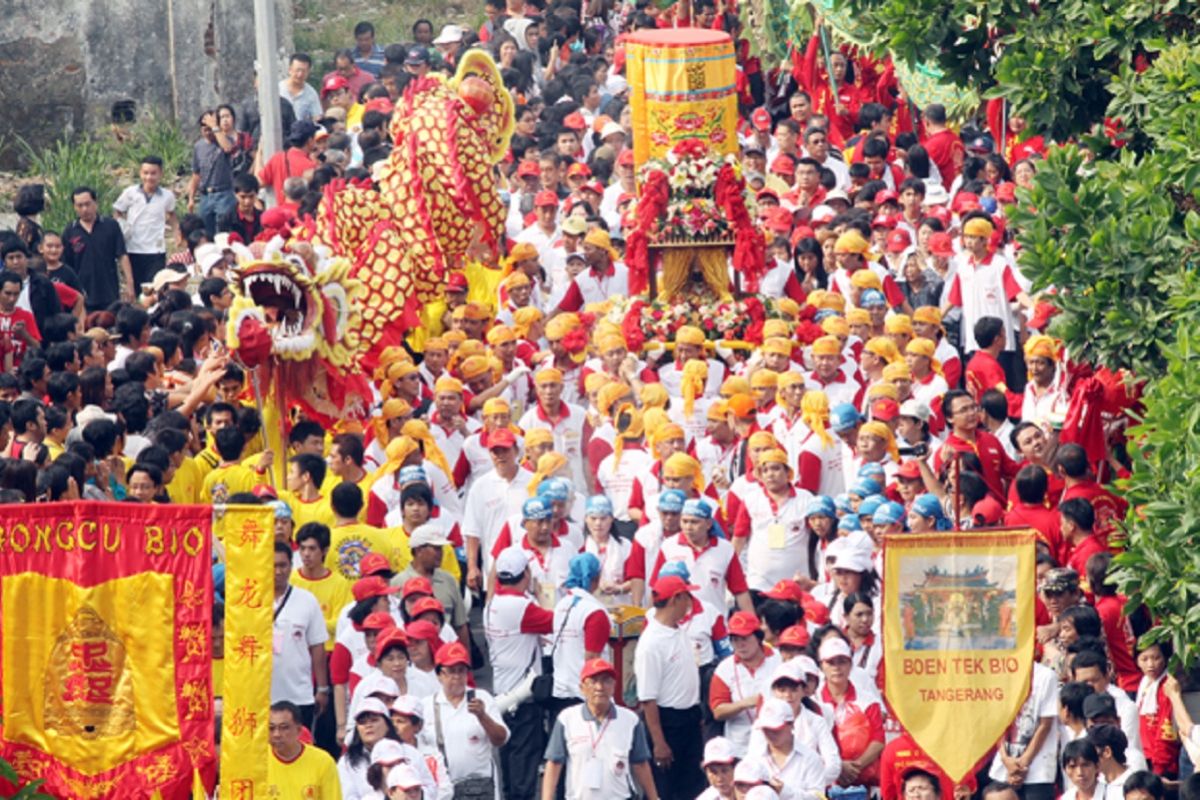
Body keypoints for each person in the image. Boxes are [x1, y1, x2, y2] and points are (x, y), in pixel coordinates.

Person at [485, 546, 554, 800]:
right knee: (523, 770)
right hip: (522, 698)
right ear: (524, 573)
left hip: (502, 692)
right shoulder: (520, 606)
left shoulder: (492, 604)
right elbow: (557, 621)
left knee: (509, 766)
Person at [542, 657, 659, 800]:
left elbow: (640, 764)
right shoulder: (567, 719)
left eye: (606, 680)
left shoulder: (630, 720)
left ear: (614, 686)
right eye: (593, 681)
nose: (599, 687)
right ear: (582, 688)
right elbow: (554, 763)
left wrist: (654, 798)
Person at [636, 573, 706, 800]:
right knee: (664, 789)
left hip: (689, 718)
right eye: (686, 596)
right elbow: (648, 698)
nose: (689, 602)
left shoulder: (677, 631)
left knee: (692, 788)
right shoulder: (652, 643)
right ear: (676, 598)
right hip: (668, 722)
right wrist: (659, 742)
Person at [419, 642, 509, 799]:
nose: (457, 677)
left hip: (480, 789)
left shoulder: (482, 698)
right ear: (439, 674)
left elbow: (500, 739)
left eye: (461, 671)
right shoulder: (426, 706)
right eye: (451, 671)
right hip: (444, 790)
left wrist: (482, 716)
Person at [272, 540, 331, 730]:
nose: (278, 571)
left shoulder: (307, 600)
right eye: (272, 565)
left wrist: (322, 688)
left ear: (291, 566)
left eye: (283, 565)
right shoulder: (248, 600)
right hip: (260, 694)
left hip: (299, 694)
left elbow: (317, 646)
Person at [61, 186, 133, 309]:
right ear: (74, 207)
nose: (84, 209)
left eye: (88, 204)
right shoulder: (70, 231)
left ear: (96, 203)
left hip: (109, 292)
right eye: (80, 205)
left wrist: (130, 283)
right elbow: (65, 264)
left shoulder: (111, 225)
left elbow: (122, 255)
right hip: (82, 294)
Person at [112, 155, 178, 287]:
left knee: (155, 287)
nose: (149, 177)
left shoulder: (167, 196)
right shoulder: (130, 193)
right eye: (145, 173)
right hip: (133, 248)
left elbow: (172, 215)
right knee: (135, 288)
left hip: (156, 251)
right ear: (140, 173)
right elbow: (117, 211)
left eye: (153, 173)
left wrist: (177, 234)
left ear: (161, 174)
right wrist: (123, 228)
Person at [267, 700, 343, 797]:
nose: (276, 734)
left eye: (284, 727)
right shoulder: (258, 762)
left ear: (299, 730)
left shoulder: (323, 762)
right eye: (271, 728)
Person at [186, 112, 237, 238]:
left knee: (224, 232)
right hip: (206, 196)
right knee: (206, 232)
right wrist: (191, 198)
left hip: (224, 194)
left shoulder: (225, 140)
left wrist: (215, 126)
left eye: (210, 129)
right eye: (205, 129)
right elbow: (196, 174)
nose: (208, 133)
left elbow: (228, 148)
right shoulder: (198, 146)